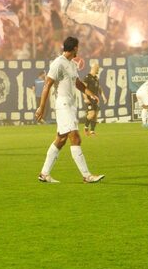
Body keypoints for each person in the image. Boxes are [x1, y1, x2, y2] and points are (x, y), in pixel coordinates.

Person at [34, 36, 104, 183]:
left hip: (71, 106)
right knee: (76, 138)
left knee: (61, 139)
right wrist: (41, 107)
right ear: (75, 48)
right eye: (78, 47)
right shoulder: (58, 63)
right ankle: (87, 176)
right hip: (63, 105)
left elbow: (77, 83)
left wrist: (90, 94)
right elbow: (47, 84)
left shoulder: (72, 64)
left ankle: (44, 174)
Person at [81, 63, 105, 136]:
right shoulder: (87, 77)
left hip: (96, 99)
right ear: (93, 68)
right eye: (97, 68)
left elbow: (99, 88)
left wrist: (103, 96)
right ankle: (85, 128)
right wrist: (85, 98)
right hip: (89, 99)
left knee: (95, 115)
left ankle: (92, 131)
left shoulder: (96, 78)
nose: (98, 69)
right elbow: (83, 88)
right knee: (91, 114)